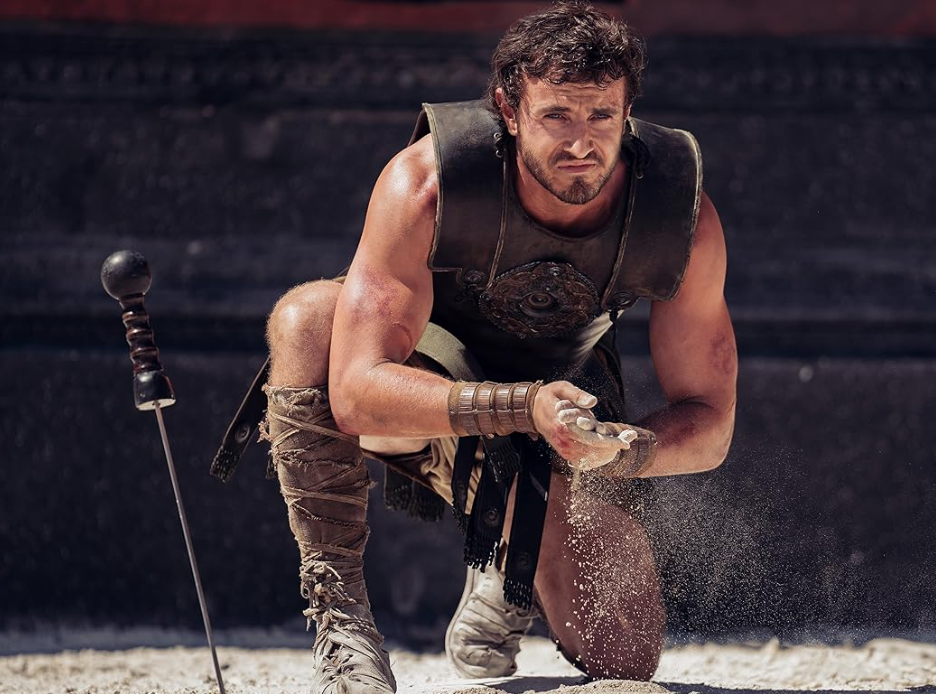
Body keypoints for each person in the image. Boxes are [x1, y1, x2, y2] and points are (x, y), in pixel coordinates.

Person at [255, 2, 737, 691]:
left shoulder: (678, 215)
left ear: (628, 112)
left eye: (602, 116)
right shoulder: (426, 184)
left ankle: (508, 548)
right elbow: (358, 393)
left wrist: (620, 451)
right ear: (508, 110)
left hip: (566, 423)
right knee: (307, 318)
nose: (582, 142)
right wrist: (523, 405)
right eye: (556, 117)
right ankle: (344, 626)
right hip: (424, 400)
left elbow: (710, 423)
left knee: (625, 655)